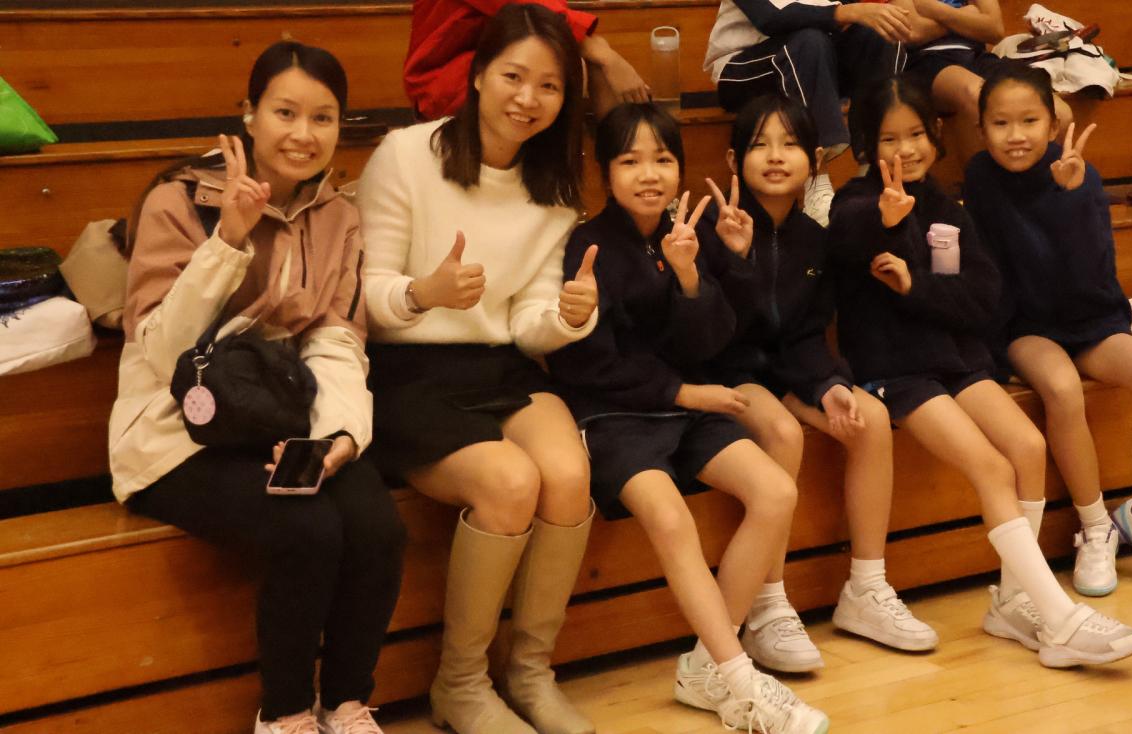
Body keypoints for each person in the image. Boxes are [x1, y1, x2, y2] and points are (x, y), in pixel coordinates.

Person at [110, 42, 404, 734]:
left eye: (323, 118)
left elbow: (336, 340)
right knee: (305, 527)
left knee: (377, 527)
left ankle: (346, 706)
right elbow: (162, 351)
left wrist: (336, 438)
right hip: (179, 427)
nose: (304, 134)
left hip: (281, 417)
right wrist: (228, 242)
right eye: (285, 112)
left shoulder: (338, 215)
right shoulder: (180, 199)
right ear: (249, 114)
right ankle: (285, 715)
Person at [827, 74, 1132, 667]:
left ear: (936, 135)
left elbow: (981, 299)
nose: (906, 150)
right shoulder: (856, 204)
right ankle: (1061, 617)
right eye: (889, 139)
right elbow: (851, 240)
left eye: (916, 134)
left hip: (956, 362)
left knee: (1027, 446)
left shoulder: (945, 205)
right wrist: (886, 223)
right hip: (896, 372)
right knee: (991, 466)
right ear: (866, 146)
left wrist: (916, 287)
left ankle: (1013, 601)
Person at [546, 102, 829, 734]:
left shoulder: (688, 235)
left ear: (680, 167)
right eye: (630, 161)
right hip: (616, 415)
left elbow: (715, 340)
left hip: (687, 406)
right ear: (604, 171)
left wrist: (691, 278)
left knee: (776, 491)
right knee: (672, 518)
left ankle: (707, 665)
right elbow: (588, 365)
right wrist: (685, 393)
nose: (649, 174)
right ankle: (742, 684)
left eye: (663, 159)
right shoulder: (588, 244)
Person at [357, 5, 599, 733]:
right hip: (403, 367)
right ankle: (460, 683)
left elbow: (527, 324)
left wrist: (569, 316)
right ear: (477, 75)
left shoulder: (553, 188)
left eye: (549, 86)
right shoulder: (406, 154)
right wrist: (423, 293)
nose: (528, 98)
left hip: (498, 364)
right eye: (513, 77)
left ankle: (529, 673)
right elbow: (363, 295)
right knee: (510, 482)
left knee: (569, 475)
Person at [696, 94, 938, 670]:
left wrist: (827, 382)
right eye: (760, 145)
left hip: (783, 370)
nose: (776, 157)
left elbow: (804, 334)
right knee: (783, 432)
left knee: (868, 417)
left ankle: (866, 587)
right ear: (733, 160)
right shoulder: (711, 228)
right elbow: (712, 333)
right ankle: (768, 605)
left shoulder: (813, 237)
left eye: (791, 144)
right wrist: (738, 259)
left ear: (816, 160)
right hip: (723, 372)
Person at [963, 63, 1132, 597]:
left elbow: (1092, 274)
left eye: (1029, 121)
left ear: (1052, 122)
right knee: (1062, 389)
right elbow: (990, 272)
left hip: (1092, 318)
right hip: (1026, 327)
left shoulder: (1080, 174)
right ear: (982, 128)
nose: (1016, 135)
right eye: (1000, 123)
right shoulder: (980, 176)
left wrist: (1069, 196)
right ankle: (1094, 527)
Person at [702, 0, 914, 222]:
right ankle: (816, 187)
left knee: (877, 34)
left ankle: (872, 174)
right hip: (741, 66)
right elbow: (771, 18)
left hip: (815, 55)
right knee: (809, 42)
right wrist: (850, 11)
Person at [404, 0, 649, 121]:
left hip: (501, 66)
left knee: (578, 64)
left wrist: (599, 51)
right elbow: (534, 13)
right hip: (447, 83)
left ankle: (616, 175)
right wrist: (605, 54)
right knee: (576, 59)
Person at [901, 0, 1072, 155]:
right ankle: (982, 178)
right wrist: (968, 15)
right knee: (977, 95)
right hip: (927, 60)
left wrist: (935, 9)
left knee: (1060, 113)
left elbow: (994, 29)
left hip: (977, 56)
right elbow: (913, 31)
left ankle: (1046, 178)